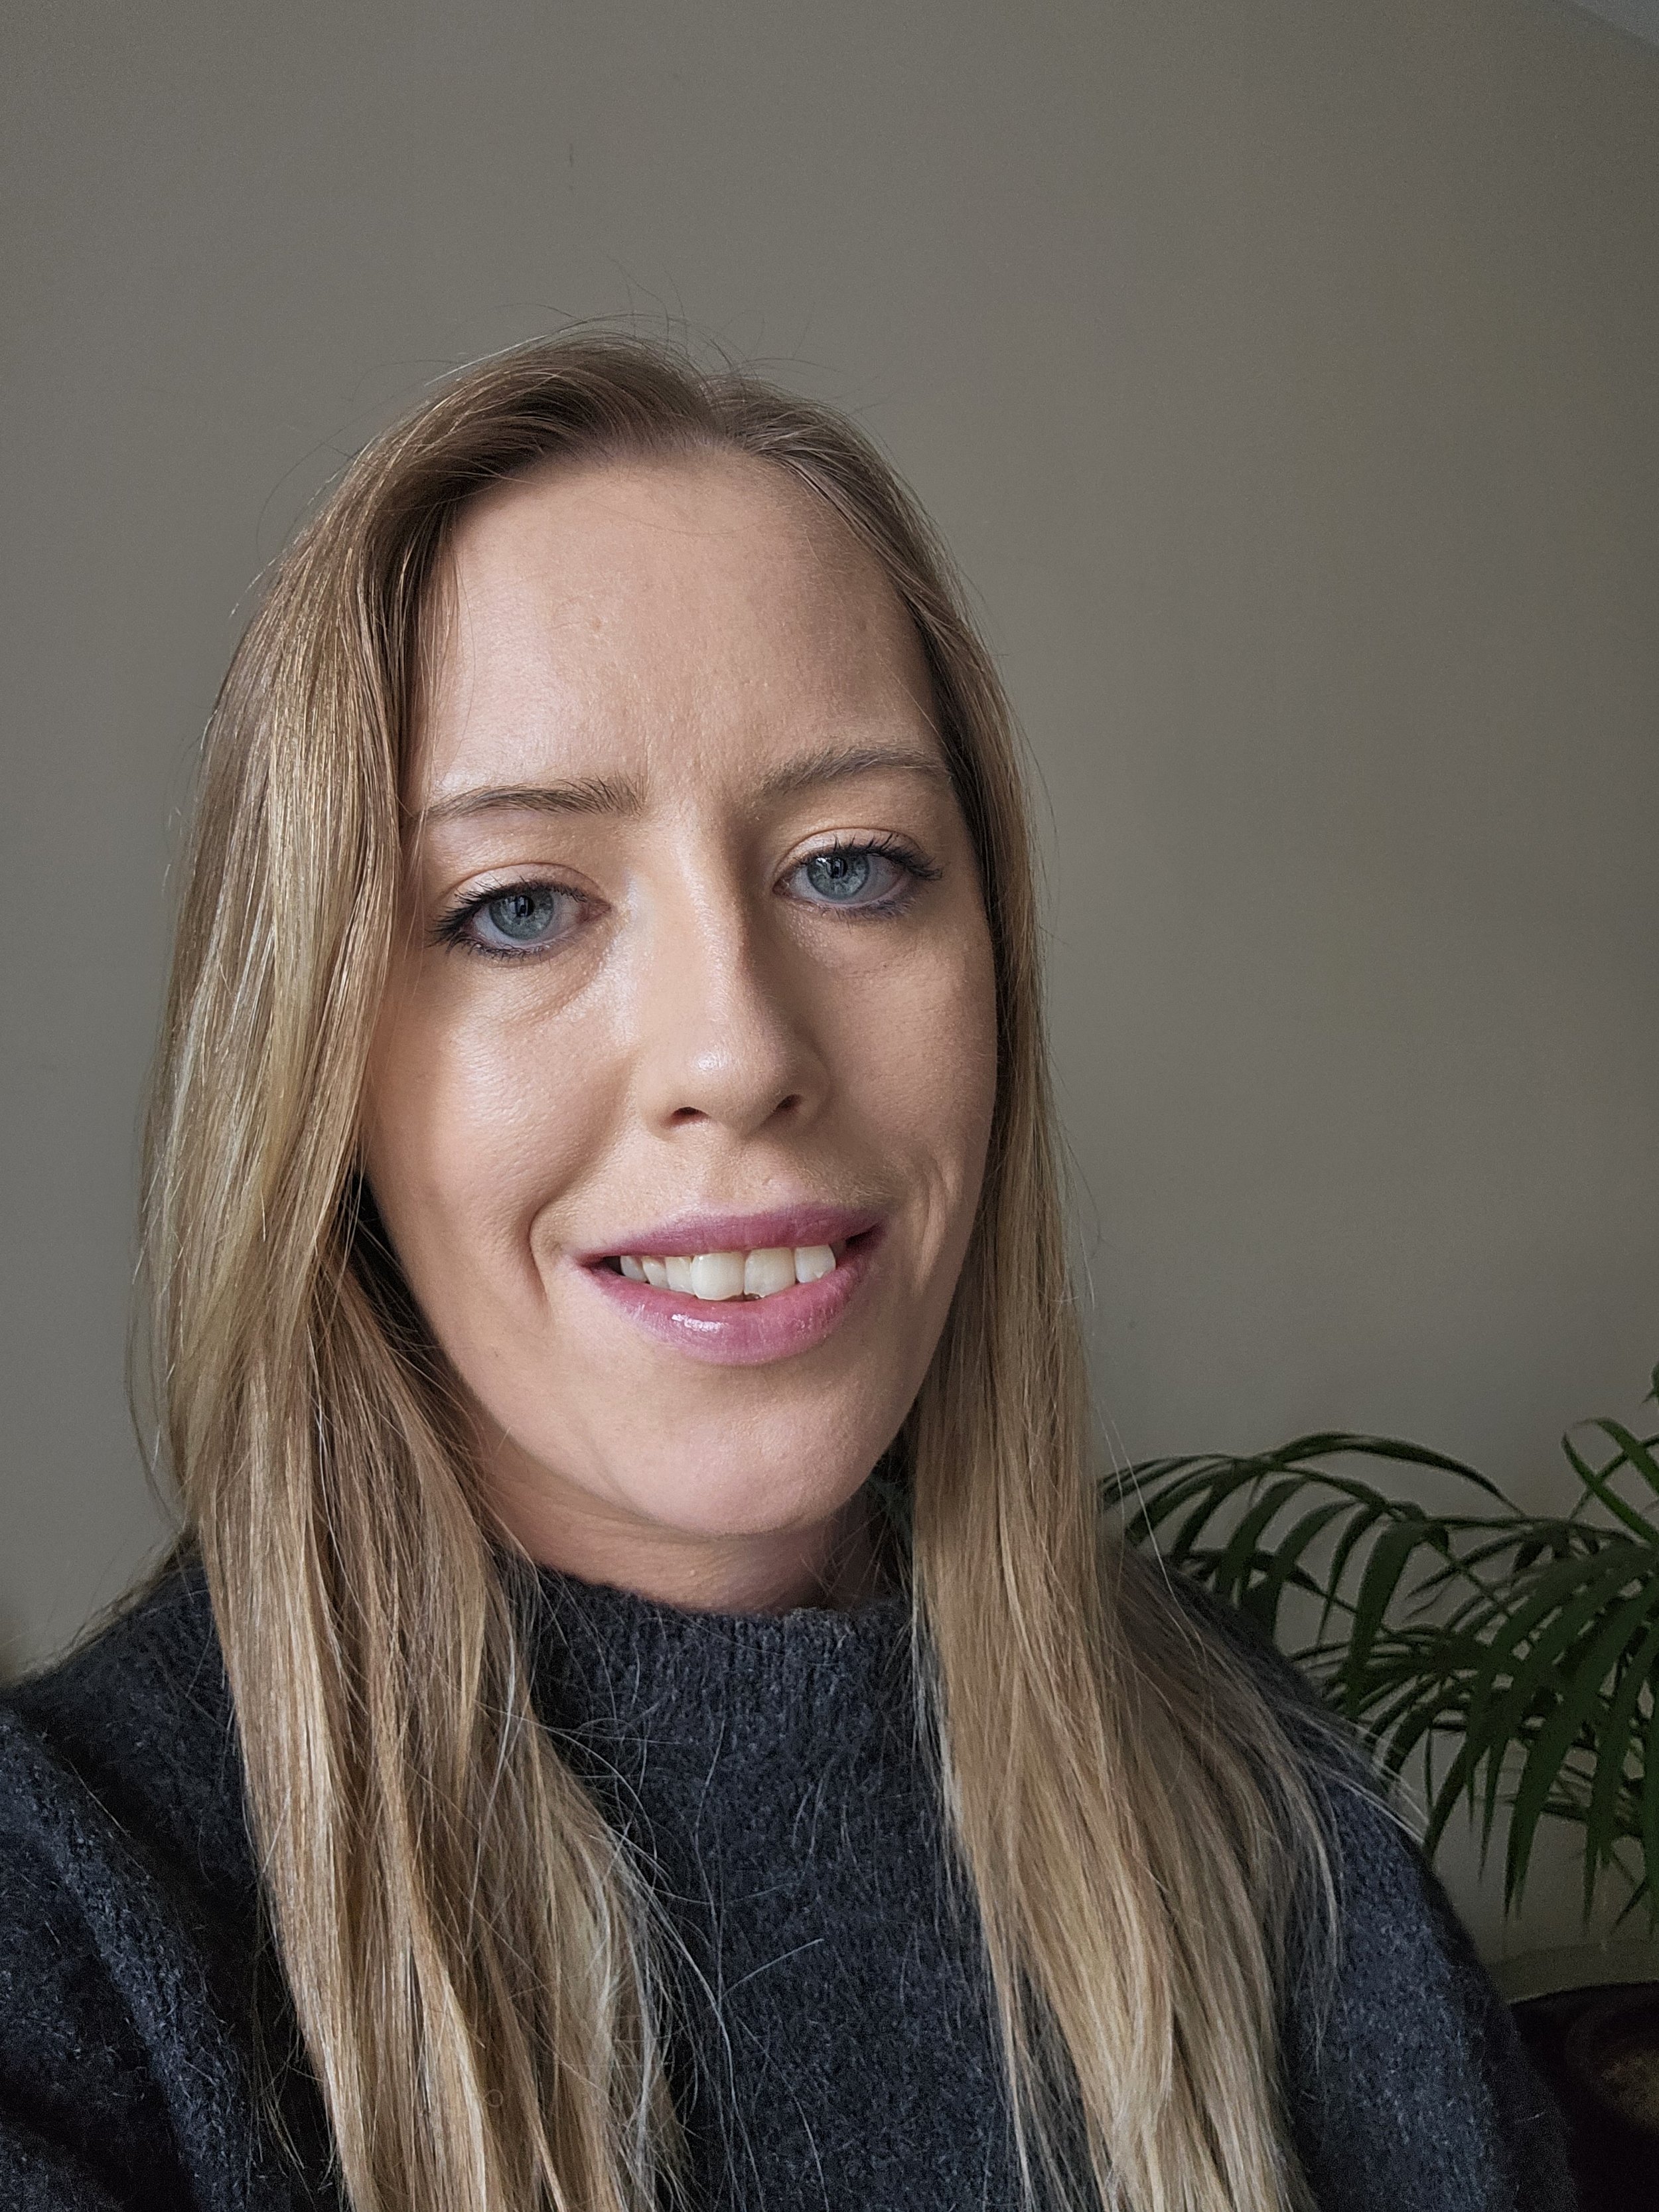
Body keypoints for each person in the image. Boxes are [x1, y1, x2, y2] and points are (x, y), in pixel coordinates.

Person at [0, 336, 1571, 2212]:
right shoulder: (71, 1920)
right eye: (518, 905)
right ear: (316, 1063)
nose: (737, 1051)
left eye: (850, 867)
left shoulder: (1254, 1792)